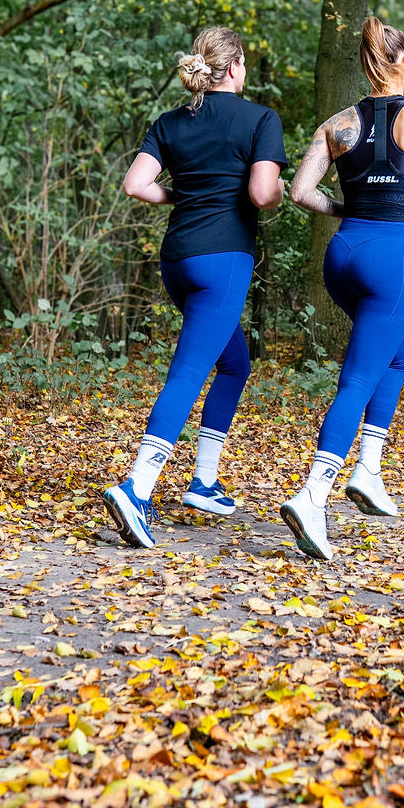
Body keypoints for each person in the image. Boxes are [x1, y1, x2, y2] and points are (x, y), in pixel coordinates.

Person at [282, 15, 404, 560]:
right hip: (393, 259)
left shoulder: (337, 124)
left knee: (397, 353)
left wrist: (348, 207)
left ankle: (368, 470)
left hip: (343, 255)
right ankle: (313, 495)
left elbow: (300, 192)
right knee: (359, 376)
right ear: (403, 60)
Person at [103, 28, 286, 548]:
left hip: (177, 260)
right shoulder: (260, 119)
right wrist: (275, 195)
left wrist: (182, 197)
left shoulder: (168, 123)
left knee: (234, 363)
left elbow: (136, 185)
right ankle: (137, 489)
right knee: (188, 372)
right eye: (244, 64)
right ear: (233, 69)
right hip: (223, 260)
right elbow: (260, 192)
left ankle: (204, 481)